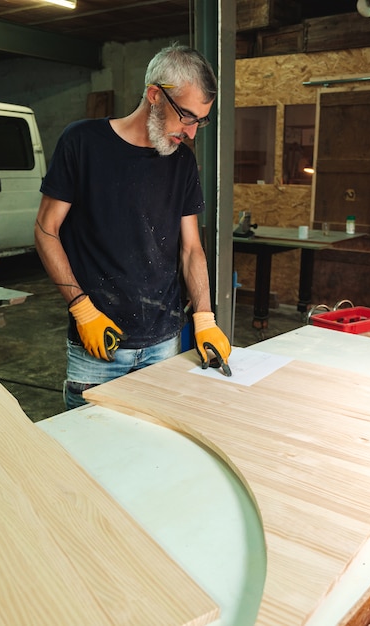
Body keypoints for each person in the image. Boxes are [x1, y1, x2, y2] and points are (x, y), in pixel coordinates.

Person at [35, 43, 231, 410]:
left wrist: (204, 316)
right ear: (155, 95)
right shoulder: (82, 143)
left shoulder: (181, 164)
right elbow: (47, 229)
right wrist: (82, 309)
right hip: (99, 350)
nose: (191, 133)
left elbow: (191, 249)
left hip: (163, 345)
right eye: (187, 117)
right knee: (88, 457)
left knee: (153, 458)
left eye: (200, 121)